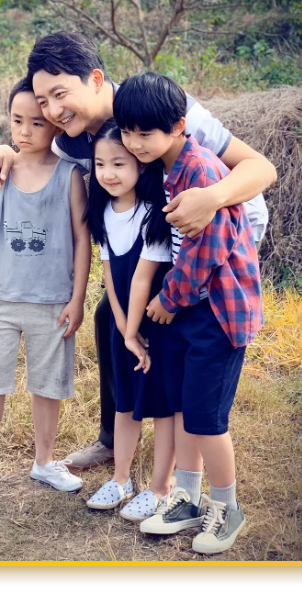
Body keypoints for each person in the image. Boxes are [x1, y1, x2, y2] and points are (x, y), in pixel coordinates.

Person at [0, 32, 276, 469]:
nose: (52, 111)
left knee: (176, 325)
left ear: (96, 80)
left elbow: (260, 167)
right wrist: (2, 150)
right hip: (159, 233)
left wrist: (212, 198)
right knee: (111, 318)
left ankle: (186, 440)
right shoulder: (68, 137)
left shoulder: (157, 107)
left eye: (60, 94)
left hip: (222, 230)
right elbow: (32, 146)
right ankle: (115, 437)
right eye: (43, 102)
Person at [113, 72, 263, 554]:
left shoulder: (201, 170)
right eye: (127, 131)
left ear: (179, 126)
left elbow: (207, 251)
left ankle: (228, 509)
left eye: (145, 133)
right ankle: (189, 498)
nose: (134, 143)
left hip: (216, 312)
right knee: (183, 407)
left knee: (205, 418)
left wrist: (168, 298)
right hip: (190, 310)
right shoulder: (164, 166)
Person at [0, 78, 91, 511]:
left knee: (47, 386)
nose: (25, 131)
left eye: (37, 122)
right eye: (17, 121)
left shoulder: (70, 175)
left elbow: (82, 239)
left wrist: (77, 298)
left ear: (54, 125)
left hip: (52, 302)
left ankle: (45, 461)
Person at [83, 121, 175, 522]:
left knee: (163, 407)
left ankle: (161, 487)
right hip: (126, 327)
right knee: (124, 402)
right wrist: (123, 331)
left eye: (119, 163)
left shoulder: (154, 214)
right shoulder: (103, 212)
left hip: (157, 325)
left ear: (141, 163)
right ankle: (121, 479)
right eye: (100, 164)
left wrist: (136, 332)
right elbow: (109, 276)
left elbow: (141, 279)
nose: (108, 173)